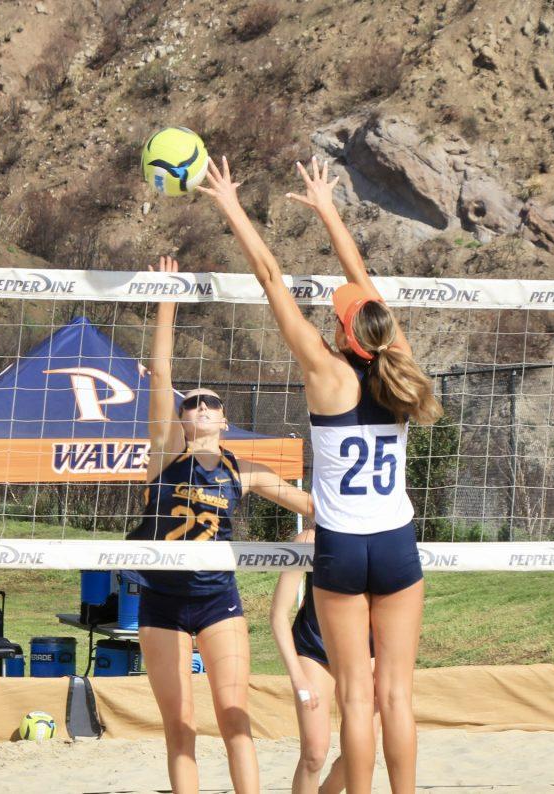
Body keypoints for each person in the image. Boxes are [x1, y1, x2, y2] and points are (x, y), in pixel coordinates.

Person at [201, 156, 442, 793]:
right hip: (394, 543)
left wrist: (230, 202)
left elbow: (270, 275)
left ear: (340, 330)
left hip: (341, 547)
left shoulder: (325, 373)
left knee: (357, 702)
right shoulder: (400, 364)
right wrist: (331, 211)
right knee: (397, 697)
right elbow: (363, 284)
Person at [127, 255, 314, 794]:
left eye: (211, 402)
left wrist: (312, 538)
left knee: (235, 719)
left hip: (218, 600)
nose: (201, 405)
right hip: (162, 600)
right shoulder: (164, 456)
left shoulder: (243, 468)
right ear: (183, 419)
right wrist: (167, 299)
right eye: (194, 402)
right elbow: (161, 373)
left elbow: (311, 508)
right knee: (179, 728)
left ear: (225, 420)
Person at [269, 527, 380, 794]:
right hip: (315, 649)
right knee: (314, 754)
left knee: (359, 754)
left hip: (364, 651)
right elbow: (277, 615)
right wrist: (297, 676)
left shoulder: (382, 534)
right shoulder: (309, 540)